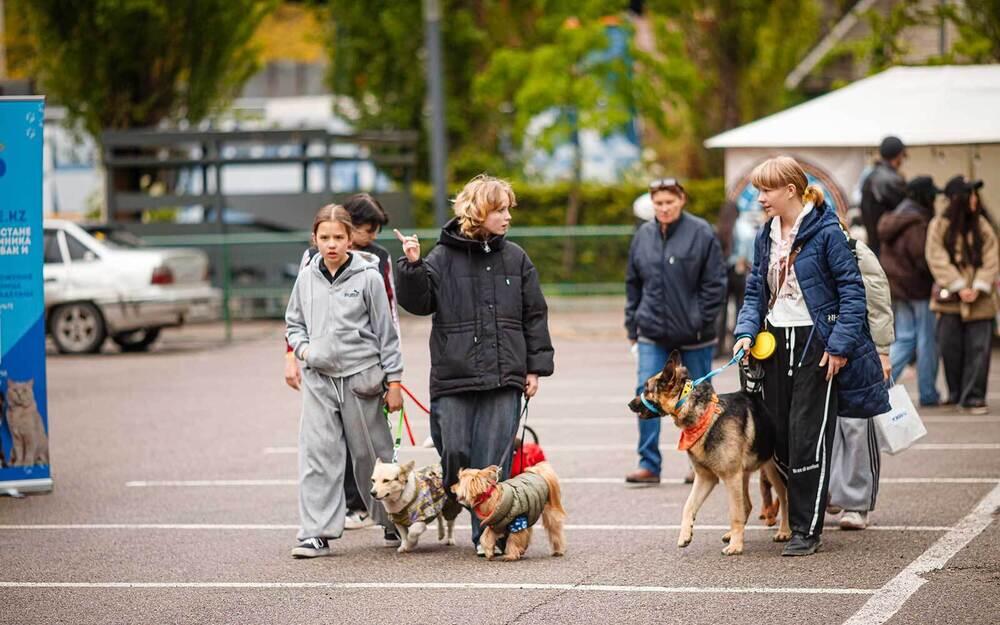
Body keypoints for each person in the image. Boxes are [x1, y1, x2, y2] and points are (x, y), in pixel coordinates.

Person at [733, 156, 889, 556]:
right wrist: (746, 332)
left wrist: (838, 346)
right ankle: (801, 509)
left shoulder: (826, 231)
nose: (760, 197)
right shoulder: (764, 234)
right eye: (758, 189)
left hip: (816, 342)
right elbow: (754, 292)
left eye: (766, 190)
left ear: (790, 190)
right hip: (773, 343)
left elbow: (852, 293)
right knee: (778, 438)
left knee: (808, 437)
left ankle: (806, 528)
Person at [393, 174, 554, 556]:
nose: (507, 217)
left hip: (505, 375)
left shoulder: (516, 257)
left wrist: (535, 368)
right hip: (454, 375)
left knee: (492, 459)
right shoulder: (441, 257)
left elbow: (535, 315)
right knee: (455, 451)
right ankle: (454, 494)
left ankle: (489, 534)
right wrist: (413, 266)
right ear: (477, 212)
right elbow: (419, 304)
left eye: (508, 210)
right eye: (499, 210)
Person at [284, 204, 404, 558]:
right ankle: (315, 533)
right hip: (319, 379)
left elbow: (387, 333)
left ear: (351, 239)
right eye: (324, 238)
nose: (331, 244)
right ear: (315, 239)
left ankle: (392, 521)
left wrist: (394, 381)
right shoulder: (305, 277)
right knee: (317, 455)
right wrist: (304, 352)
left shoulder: (368, 277)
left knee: (373, 456)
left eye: (339, 237)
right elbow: (294, 322)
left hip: (362, 379)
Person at [624, 178, 726, 485]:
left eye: (669, 202)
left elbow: (715, 283)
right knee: (646, 394)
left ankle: (700, 461)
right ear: (652, 204)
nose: (664, 208)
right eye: (658, 203)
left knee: (699, 397)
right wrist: (632, 323)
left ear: (681, 200)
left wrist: (700, 319)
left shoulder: (702, 233)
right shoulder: (642, 235)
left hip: (694, 335)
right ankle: (648, 463)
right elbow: (633, 283)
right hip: (652, 332)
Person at [828, 226, 894, 531]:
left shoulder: (856, 249)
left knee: (856, 427)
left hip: (860, 350)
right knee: (823, 425)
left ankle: (857, 503)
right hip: (818, 350)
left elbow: (878, 303)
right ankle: (830, 492)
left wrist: (882, 350)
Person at [926, 176, 998, 414]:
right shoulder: (939, 225)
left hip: (981, 300)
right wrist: (957, 284)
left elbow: (991, 257)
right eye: (970, 194)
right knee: (951, 348)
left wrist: (978, 286)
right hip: (950, 300)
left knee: (979, 350)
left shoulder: (983, 225)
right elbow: (935, 256)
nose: (976, 199)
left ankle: (974, 397)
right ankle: (957, 393)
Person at [877, 176, 941, 407]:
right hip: (918, 288)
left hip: (896, 287)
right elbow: (922, 258)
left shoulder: (893, 219)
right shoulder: (916, 222)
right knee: (926, 340)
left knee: (905, 338)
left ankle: (876, 383)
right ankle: (927, 393)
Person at [860, 136, 907, 257]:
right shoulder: (891, 180)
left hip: (874, 245)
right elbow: (903, 212)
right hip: (889, 248)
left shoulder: (869, 177)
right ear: (898, 155)